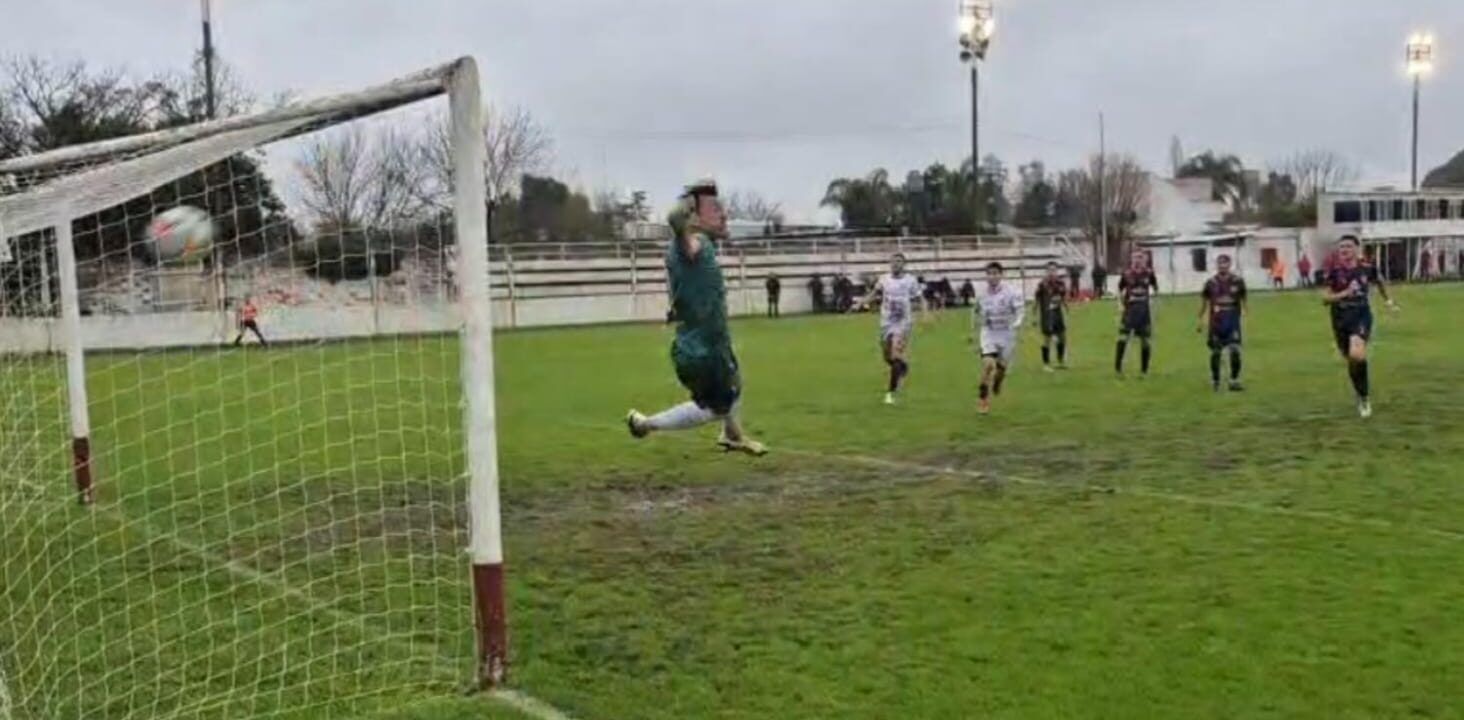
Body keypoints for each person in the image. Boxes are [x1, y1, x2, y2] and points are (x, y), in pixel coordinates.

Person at [627, 178, 766, 455]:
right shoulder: (692, 244)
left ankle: (732, 435)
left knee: (734, 381)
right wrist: (685, 211)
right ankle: (645, 424)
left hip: (710, 344)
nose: (723, 214)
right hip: (701, 351)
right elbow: (675, 222)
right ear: (694, 217)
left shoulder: (701, 245)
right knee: (715, 406)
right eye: (715, 209)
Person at [1322, 235, 1398, 419]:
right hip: (1339, 318)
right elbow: (1325, 299)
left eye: (1348, 246)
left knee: (1357, 354)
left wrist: (1389, 301)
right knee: (1352, 360)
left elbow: (1379, 282)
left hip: (1361, 315)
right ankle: (1360, 392)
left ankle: (1364, 398)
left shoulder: (1367, 268)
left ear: (1357, 249)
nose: (1344, 250)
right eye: (1341, 247)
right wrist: (1345, 293)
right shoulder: (1333, 271)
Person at [859, 253, 927, 405]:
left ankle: (890, 393)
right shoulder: (884, 279)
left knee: (895, 353)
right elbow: (874, 293)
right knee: (887, 357)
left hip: (903, 323)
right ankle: (903, 367)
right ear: (890, 264)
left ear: (904, 264)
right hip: (886, 322)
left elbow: (920, 298)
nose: (896, 264)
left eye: (899, 262)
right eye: (894, 262)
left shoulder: (910, 280)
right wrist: (861, 302)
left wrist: (925, 314)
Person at [972, 262, 1025, 415]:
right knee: (988, 365)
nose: (992, 276)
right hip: (989, 333)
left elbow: (1020, 310)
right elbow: (975, 311)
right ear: (986, 276)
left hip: (1007, 334)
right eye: (989, 273)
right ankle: (983, 400)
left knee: (1001, 369)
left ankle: (998, 381)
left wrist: (1016, 323)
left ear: (1001, 275)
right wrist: (974, 330)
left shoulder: (1011, 292)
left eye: (995, 273)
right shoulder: (981, 294)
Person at [1198, 254, 1248, 392]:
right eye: (1220, 263)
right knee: (1216, 352)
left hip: (1232, 321)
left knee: (1235, 351)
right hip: (1216, 322)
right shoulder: (1211, 283)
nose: (1222, 266)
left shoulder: (1238, 281)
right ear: (1217, 265)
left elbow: (1243, 298)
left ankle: (1234, 380)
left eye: (1225, 263)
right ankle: (1216, 380)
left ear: (1229, 264)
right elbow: (1204, 302)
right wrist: (1201, 319)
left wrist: (1244, 311)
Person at [1114, 250, 1158, 377]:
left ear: (1144, 259)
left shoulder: (1149, 273)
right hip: (1129, 312)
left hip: (1144, 312)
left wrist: (1154, 303)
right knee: (1123, 338)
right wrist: (1120, 304)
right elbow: (1119, 290)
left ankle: (1144, 371)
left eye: (1140, 257)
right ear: (1131, 259)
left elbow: (1155, 288)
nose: (1138, 260)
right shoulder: (1126, 274)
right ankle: (1118, 368)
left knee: (1145, 341)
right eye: (1135, 258)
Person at [1034, 261, 1069, 371]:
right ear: (1046, 271)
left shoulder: (1061, 283)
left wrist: (1066, 306)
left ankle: (1060, 360)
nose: (1051, 272)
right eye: (1049, 270)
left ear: (1057, 271)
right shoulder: (1042, 284)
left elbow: (1063, 296)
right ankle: (1046, 364)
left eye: (1053, 270)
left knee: (1062, 337)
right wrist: (1034, 315)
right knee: (1047, 339)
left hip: (1058, 314)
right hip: (1046, 315)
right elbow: (1036, 299)